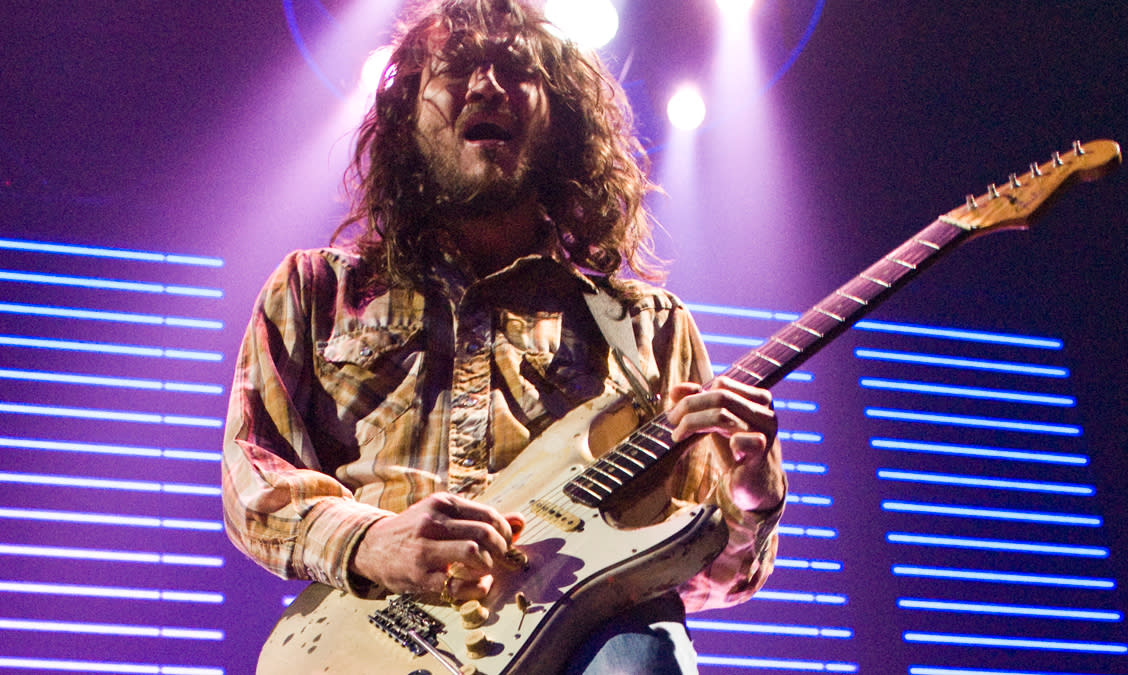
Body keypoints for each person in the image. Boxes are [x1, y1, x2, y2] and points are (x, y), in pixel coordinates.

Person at [221, 0, 787, 672]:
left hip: (585, 648)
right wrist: (372, 541)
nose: (487, 85)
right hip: (365, 646)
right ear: (406, 113)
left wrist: (752, 504)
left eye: (516, 70)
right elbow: (254, 479)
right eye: (457, 67)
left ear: (561, 118)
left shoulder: (650, 327)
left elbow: (696, 574)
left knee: (650, 649)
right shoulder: (317, 288)